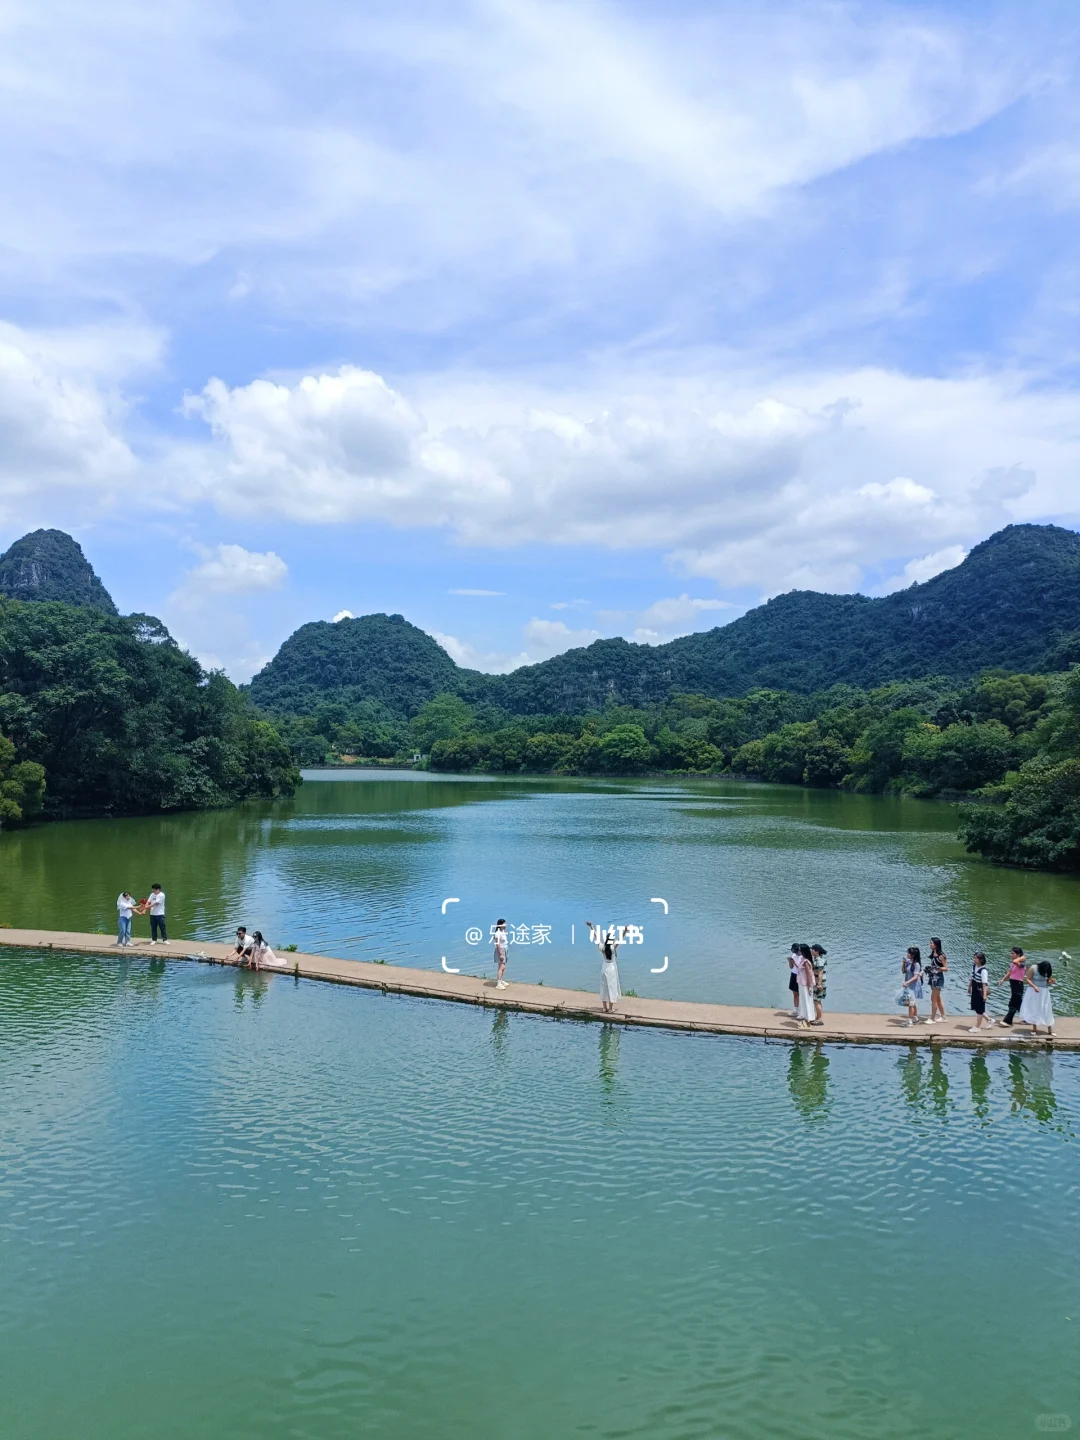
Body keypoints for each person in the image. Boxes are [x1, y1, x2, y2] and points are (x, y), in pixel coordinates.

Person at [1019, 958, 1055, 1037]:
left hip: (1044, 992)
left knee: (1046, 1009)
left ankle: (1050, 1030)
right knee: (1034, 1009)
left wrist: (1051, 981)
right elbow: (1027, 979)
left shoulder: (1048, 969)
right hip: (1033, 991)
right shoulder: (1033, 968)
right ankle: (1034, 1028)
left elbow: (1047, 980)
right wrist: (1034, 986)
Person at [592, 926, 621, 1014]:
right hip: (611, 968)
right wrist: (625, 931)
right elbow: (620, 939)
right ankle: (610, 1008)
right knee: (611, 988)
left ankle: (604, 1008)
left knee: (604, 988)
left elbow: (596, 938)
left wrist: (591, 927)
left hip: (604, 968)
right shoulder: (612, 948)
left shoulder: (602, 948)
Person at [999, 946, 1027, 1027]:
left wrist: (1021, 958)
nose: (1011, 955)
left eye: (1013, 953)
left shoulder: (1022, 964)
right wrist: (1003, 979)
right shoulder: (1013, 963)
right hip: (1013, 984)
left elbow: (1015, 961)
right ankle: (1027, 1018)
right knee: (1019, 1003)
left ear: (1018, 955)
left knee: (1013, 1003)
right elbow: (1010, 972)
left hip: (1018, 985)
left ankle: (1008, 1021)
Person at [967, 951, 994, 1032]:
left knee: (979, 1009)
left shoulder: (983, 971)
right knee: (976, 1007)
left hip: (980, 990)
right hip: (975, 988)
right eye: (974, 958)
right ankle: (989, 1020)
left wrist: (984, 995)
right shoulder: (974, 966)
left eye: (976, 958)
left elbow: (984, 984)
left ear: (980, 959)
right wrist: (969, 986)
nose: (974, 959)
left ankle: (977, 1027)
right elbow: (972, 977)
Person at [925, 937, 948, 1023]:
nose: (930, 944)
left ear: (936, 945)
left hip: (938, 978)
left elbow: (946, 968)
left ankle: (932, 1018)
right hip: (932, 977)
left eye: (931, 943)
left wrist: (938, 969)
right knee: (937, 998)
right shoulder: (933, 954)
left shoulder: (941, 956)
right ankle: (943, 1016)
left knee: (933, 998)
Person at [900, 946, 924, 1027]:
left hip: (914, 986)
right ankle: (915, 1018)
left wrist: (907, 982)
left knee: (910, 1004)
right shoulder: (908, 962)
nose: (907, 954)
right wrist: (903, 963)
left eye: (908, 953)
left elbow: (915, 977)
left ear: (913, 955)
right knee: (912, 1003)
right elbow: (903, 971)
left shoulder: (916, 964)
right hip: (909, 985)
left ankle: (909, 1021)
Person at [795, 943, 816, 1027]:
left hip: (806, 984)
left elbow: (809, 974)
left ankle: (809, 1018)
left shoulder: (806, 962)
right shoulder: (802, 959)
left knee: (807, 1000)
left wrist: (809, 986)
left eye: (800, 950)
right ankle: (804, 1015)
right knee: (803, 1000)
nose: (799, 951)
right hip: (801, 983)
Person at [810, 944, 827, 1025]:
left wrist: (819, 984)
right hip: (818, 982)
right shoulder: (817, 959)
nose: (811, 951)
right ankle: (818, 1017)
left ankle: (819, 1019)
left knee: (817, 1000)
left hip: (819, 983)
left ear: (816, 951)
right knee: (817, 1000)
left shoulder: (819, 960)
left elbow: (820, 973)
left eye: (812, 949)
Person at [493, 918, 509, 989]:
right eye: (504, 924)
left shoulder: (503, 931)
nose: (505, 925)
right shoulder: (497, 933)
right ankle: (498, 984)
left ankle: (501, 980)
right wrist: (501, 954)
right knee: (501, 967)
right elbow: (497, 944)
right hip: (501, 950)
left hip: (505, 949)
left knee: (503, 967)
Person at [787, 942, 801, 1017]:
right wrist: (790, 962)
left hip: (800, 975)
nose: (795, 952)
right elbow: (791, 967)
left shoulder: (803, 957)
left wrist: (794, 962)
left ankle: (801, 1010)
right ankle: (795, 1010)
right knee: (795, 993)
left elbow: (801, 968)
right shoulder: (793, 955)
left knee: (801, 993)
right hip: (793, 974)